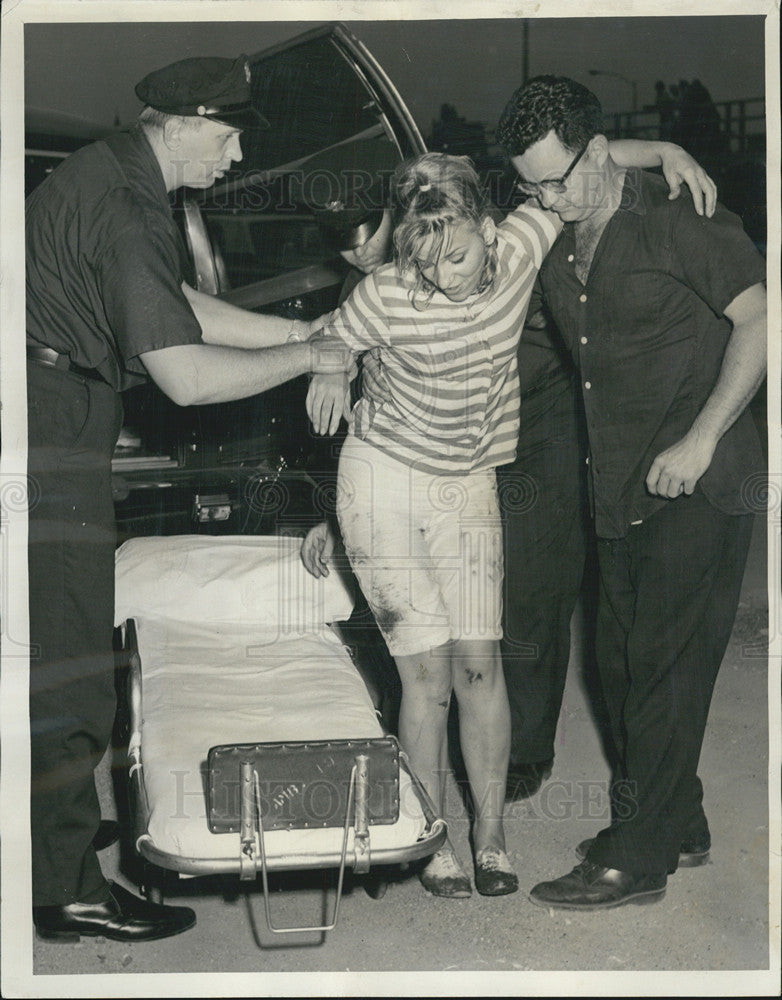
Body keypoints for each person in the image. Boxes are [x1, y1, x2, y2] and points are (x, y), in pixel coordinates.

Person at [303, 144, 717, 900]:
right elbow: (330, 333)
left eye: (457, 256)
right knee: (424, 676)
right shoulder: (387, 292)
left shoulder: (524, 243)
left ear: (487, 229)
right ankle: (429, 839)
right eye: (425, 262)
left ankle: (490, 839)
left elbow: (569, 165)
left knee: (479, 667)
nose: (443, 276)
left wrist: (662, 150)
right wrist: (332, 365)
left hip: (466, 480)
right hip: (383, 477)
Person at [26, 55, 353, 943]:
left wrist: (303, 328)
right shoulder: (132, 205)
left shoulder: (113, 170)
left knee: (51, 643)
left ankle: (41, 837)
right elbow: (185, 376)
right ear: (178, 123)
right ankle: (61, 889)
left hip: (50, 404)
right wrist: (308, 361)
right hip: (45, 428)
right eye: (228, 130)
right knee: (69, 659)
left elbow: (178, 308)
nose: (239, 151)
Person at [496, 74, 766, 910]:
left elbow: (764, 319)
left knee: (661, 669)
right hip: (618, 483)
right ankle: (677, 819)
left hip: (698, 478)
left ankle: (638, 855)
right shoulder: (558, 221)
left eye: (561, 177)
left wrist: (703, 436)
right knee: (619, 664)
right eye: (532, 184)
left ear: (601, 151)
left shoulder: (682, 217)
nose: (549, 196)